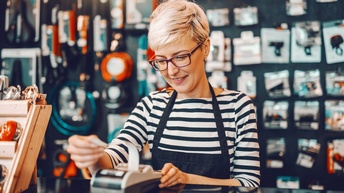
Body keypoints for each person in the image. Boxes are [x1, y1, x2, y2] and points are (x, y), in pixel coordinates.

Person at [66, 0, 260, 188]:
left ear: (206, 48)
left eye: (180, 57)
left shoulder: (237, 107)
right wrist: (92, 156)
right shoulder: (152, 106)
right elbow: (114, 157)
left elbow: (248, 184)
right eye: (161, 60)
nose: (172, 71)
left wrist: (186, 179)